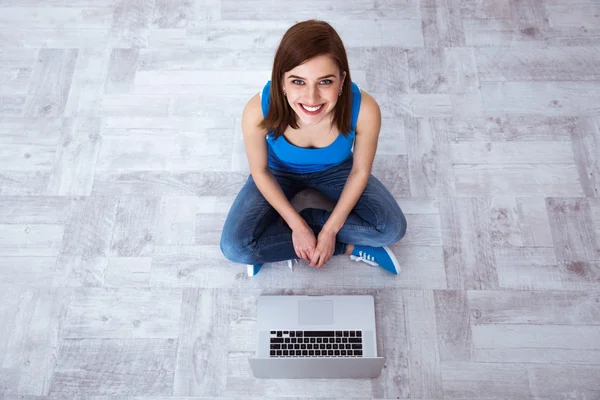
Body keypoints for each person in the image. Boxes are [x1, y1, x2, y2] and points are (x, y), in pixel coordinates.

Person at [220, 19, 407, 276]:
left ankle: (278, 235)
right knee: (235, 248)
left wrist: (329, 230)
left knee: (392, 229)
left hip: (337, 171)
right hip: (277, 172)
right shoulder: (257, 110)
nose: (311, 98)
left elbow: (360, 171)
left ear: (342, 81)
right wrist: (297, 227)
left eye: (324, 82)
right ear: (281, 81)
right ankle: (346, 246)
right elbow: (260, 171)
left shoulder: (365, 109)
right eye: (298, 82)